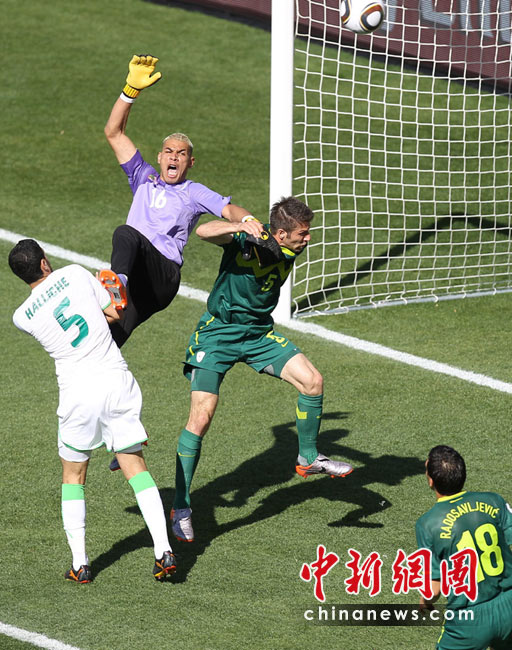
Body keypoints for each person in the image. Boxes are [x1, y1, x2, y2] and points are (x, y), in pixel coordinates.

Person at [169, 196, 354, 543]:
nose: (308, 239)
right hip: (218, 334)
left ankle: (308, 457)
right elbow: (205, 231)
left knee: (312, 381)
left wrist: (250, 223)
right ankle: (181, 506)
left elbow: (266, 232)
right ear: (281, 234)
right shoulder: (248, 240)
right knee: (202, 417)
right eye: (302, 233)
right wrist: (242, 226)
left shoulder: (286, 246)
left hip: (257, 334)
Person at [8, 239, 177, 583]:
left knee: (73, 477)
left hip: (77, 396)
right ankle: (163, 551)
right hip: (116, 382)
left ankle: (80, 564)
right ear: (44, 263)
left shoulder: (21, 317)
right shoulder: (74, 273)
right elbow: (116, 314)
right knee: (135, 467)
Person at [103, 54, 253, 348]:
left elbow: (228, 209)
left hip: (163, 274)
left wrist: (248, 221)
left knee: (125, 233)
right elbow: (113, 132)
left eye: (181, 153)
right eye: (169, 151)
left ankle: (116, 285)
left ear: (190, 162)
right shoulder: (142, 177)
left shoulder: (193, 191)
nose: (174, 156)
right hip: (140, 279)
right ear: (159, 157)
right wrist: (130, 91)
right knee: (107, 340)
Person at [416, 445, 512, 649]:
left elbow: (433, 589)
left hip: (469, 620)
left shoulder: (428, 524)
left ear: (431, 480)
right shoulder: (493, 500)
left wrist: (425, 602)